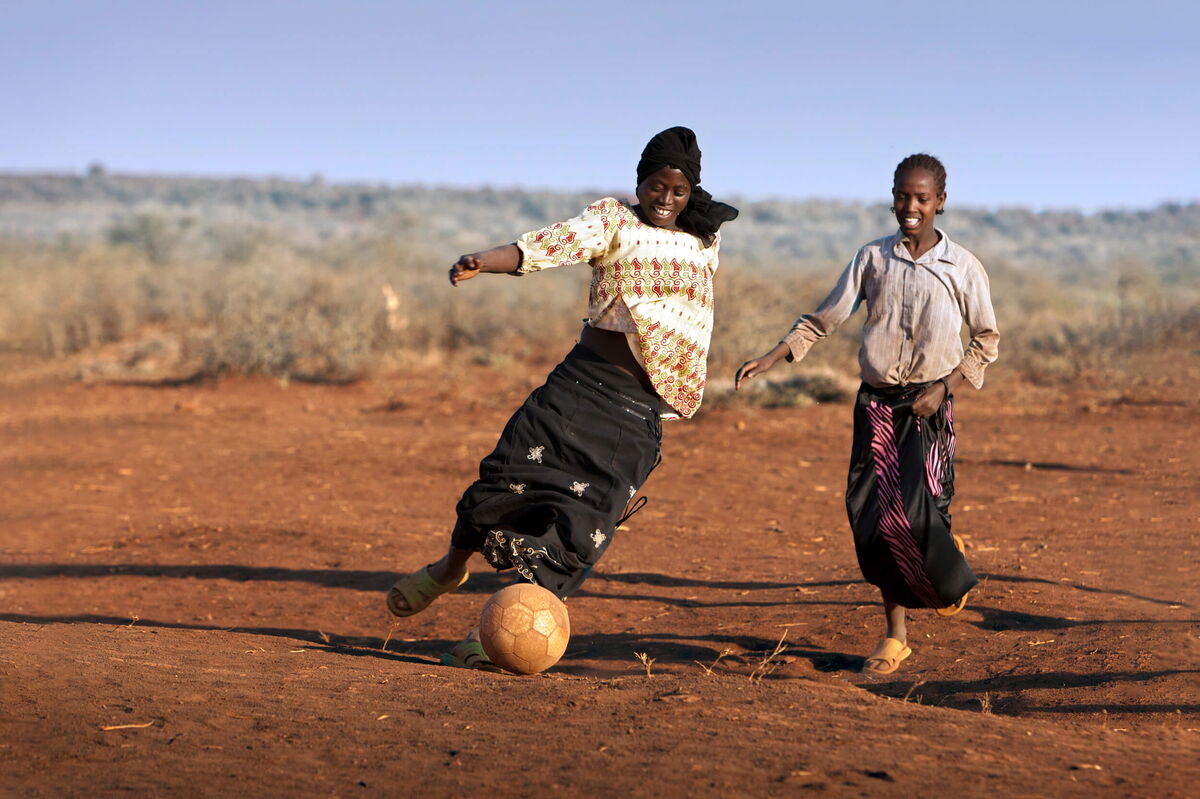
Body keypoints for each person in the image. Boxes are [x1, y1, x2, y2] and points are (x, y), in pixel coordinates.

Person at [387, 127, 738, 670]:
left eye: (679, 190)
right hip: (577, 390)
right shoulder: (612, 222)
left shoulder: (706, 240)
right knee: (502, 478)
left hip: (636, 414)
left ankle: (491, 637)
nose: (665, 200)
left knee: (587, 523)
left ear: (691, 192)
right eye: (656, 186)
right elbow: (546, 246)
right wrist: (484, 259)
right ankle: (449, 568)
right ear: (639, 182)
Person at [734, 154, 999, 676]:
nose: (911, 207)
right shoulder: (872, 259)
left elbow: (986, 341)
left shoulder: (962, 266)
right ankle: (895, 636)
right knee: (877, 523)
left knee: (924, 515)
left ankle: (944, 562)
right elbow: (823, 319)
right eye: (903, 196)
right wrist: (773, 356)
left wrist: (944, 388)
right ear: (893, 196)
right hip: (876, 405)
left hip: (929, 408)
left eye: (922, 198)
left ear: (940, 201)